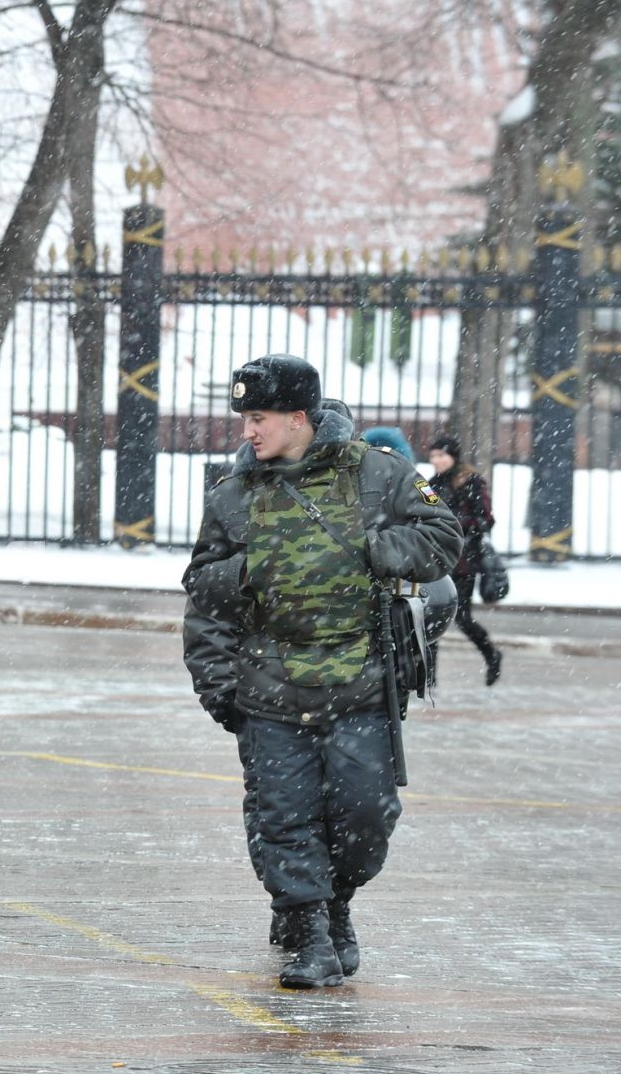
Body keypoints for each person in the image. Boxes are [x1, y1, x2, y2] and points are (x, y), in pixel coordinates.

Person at [184, 354, 459, 989]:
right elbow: (200, 586)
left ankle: (336, 903)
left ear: (299, 418)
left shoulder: (382, 475)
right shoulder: (232, 496)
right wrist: (253, 574)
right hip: (270, 687)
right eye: (245, 419)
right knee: (284, 815)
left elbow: (443, 536)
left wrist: (378, 550)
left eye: (258, 418)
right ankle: (307, 928)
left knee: (366, 816)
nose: (247, 432)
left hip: (361, 685)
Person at [427, 435, 501, 686]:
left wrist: (456, 524)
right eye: (433, 456)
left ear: (453, 457)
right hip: (436, 560)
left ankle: (491, 655)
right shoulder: (431, 484)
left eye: (441, 455)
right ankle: (429, 676)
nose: (436, 460)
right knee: (431, 617)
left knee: (462, 618)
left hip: (464, 562)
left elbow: (486, 519)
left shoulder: (470, 481)